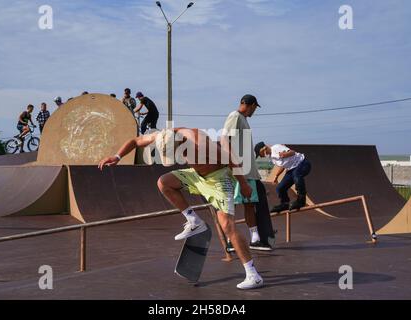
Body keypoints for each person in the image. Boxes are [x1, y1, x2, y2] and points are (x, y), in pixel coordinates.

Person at [98, 128, 264, 289]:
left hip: (218, 179)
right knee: (164, 182)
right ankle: (194, 220)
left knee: (227, 225)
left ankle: (253, 275)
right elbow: (135, 141)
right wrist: (117, 156)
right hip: (197, 175)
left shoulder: (201, 143)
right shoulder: (163, 136)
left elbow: (231, 160)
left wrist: (243, 184)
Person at [222, 94, 274, 251]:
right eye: (254, 108)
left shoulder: (244, 120)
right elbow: (225, 140)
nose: (254, 112)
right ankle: (232, 241)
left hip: (248, 172)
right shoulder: (235, 116)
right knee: (231, 206)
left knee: (249, 204)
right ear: (250, 105)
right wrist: (233, 164)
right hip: (238, 170)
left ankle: (255, 238)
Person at [255, 142, 312, 211]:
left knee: (296, 176)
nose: (261, 156)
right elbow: (282, 165)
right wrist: (276, 176)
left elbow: (293, 152)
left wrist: (285, 154)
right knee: (280, 188)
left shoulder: (276, 147)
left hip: (302, 163)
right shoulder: (272, 158)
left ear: (263, 149)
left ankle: (301, 199)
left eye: (259, 154)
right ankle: (285, 204)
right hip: (291, 169)